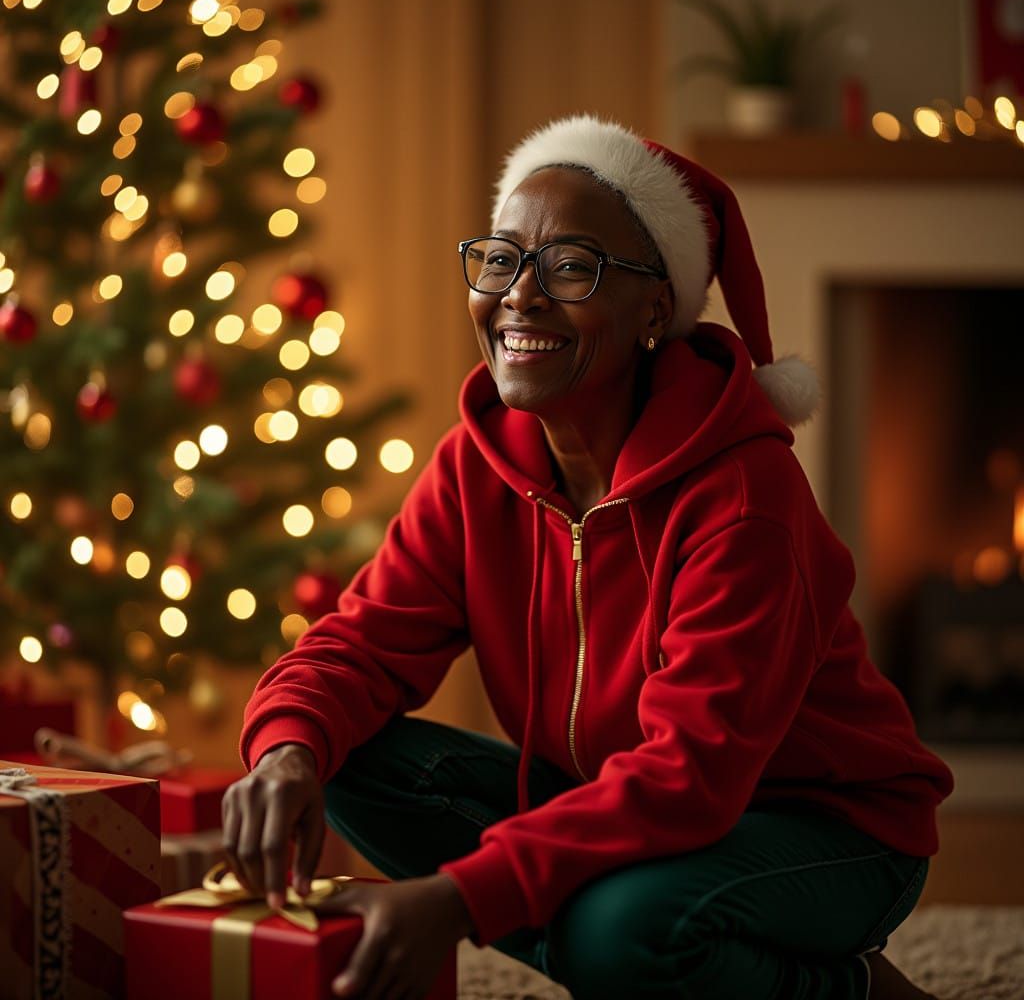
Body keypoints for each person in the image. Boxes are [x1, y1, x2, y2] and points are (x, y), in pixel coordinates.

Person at [223, 114, 955, 1000]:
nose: (520, 296)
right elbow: (357, 644)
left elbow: (690, 775)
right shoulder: (474, 466)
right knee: (350, 763)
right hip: (633, 806)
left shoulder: (744, 495)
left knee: (620, 937)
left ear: (656, 308)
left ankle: (856, 992)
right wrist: (286, 751)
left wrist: (459, 901)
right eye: (501, 258)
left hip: (828, 830)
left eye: (571, 267)